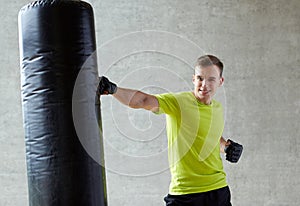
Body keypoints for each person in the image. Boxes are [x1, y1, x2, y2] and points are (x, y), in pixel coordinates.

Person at [98, 54, 243, 206]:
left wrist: (226, 147)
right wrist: (113, 89)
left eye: (211, 79)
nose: (204, 84)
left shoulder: (218, 108)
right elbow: (143, 100)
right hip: (185, 193)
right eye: (200, 78)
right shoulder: (179, 102)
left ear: (220, 81)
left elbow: (211, 138)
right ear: (193, 79)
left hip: (217, 190)